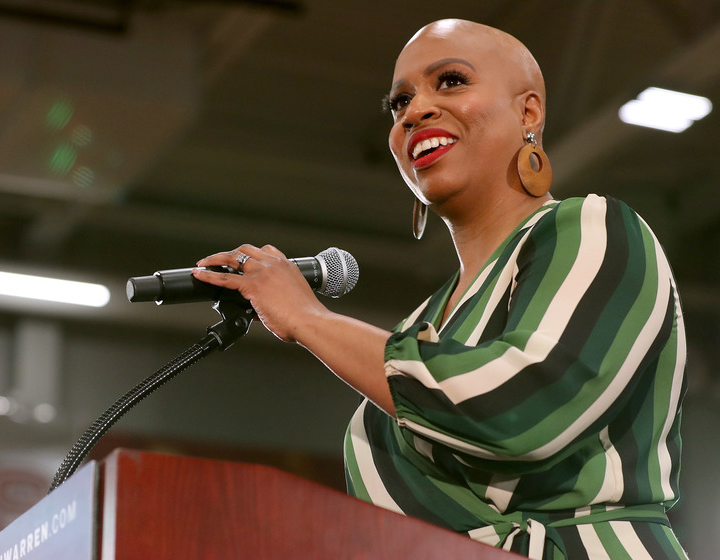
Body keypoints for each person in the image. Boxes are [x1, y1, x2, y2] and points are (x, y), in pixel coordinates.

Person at [192, 18, 688, 560]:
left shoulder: (597, 229)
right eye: (399, 102)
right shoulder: (419, 328)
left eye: (450, 81)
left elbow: (522, 411)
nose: (415, 110)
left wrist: (308, 319)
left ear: (529, 112)